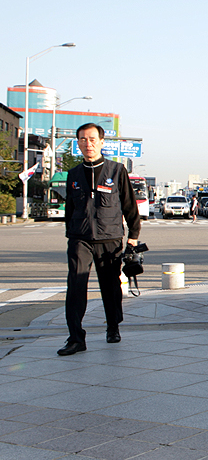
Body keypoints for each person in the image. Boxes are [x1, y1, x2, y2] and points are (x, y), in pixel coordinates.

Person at [59, 123, 143, 356]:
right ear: (78, 143)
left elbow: (129, 205)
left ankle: (113, 326)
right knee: (75, 286)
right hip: (80, 238)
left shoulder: (116, 171)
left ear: (102, 142)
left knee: (110, 286)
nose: (88, 144)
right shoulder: (73, 174)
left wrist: (133, 237)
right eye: (83, 139)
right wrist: (71, 234)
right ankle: (76, 338)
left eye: (92, 139)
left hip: (110, 237)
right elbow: (70, 209)